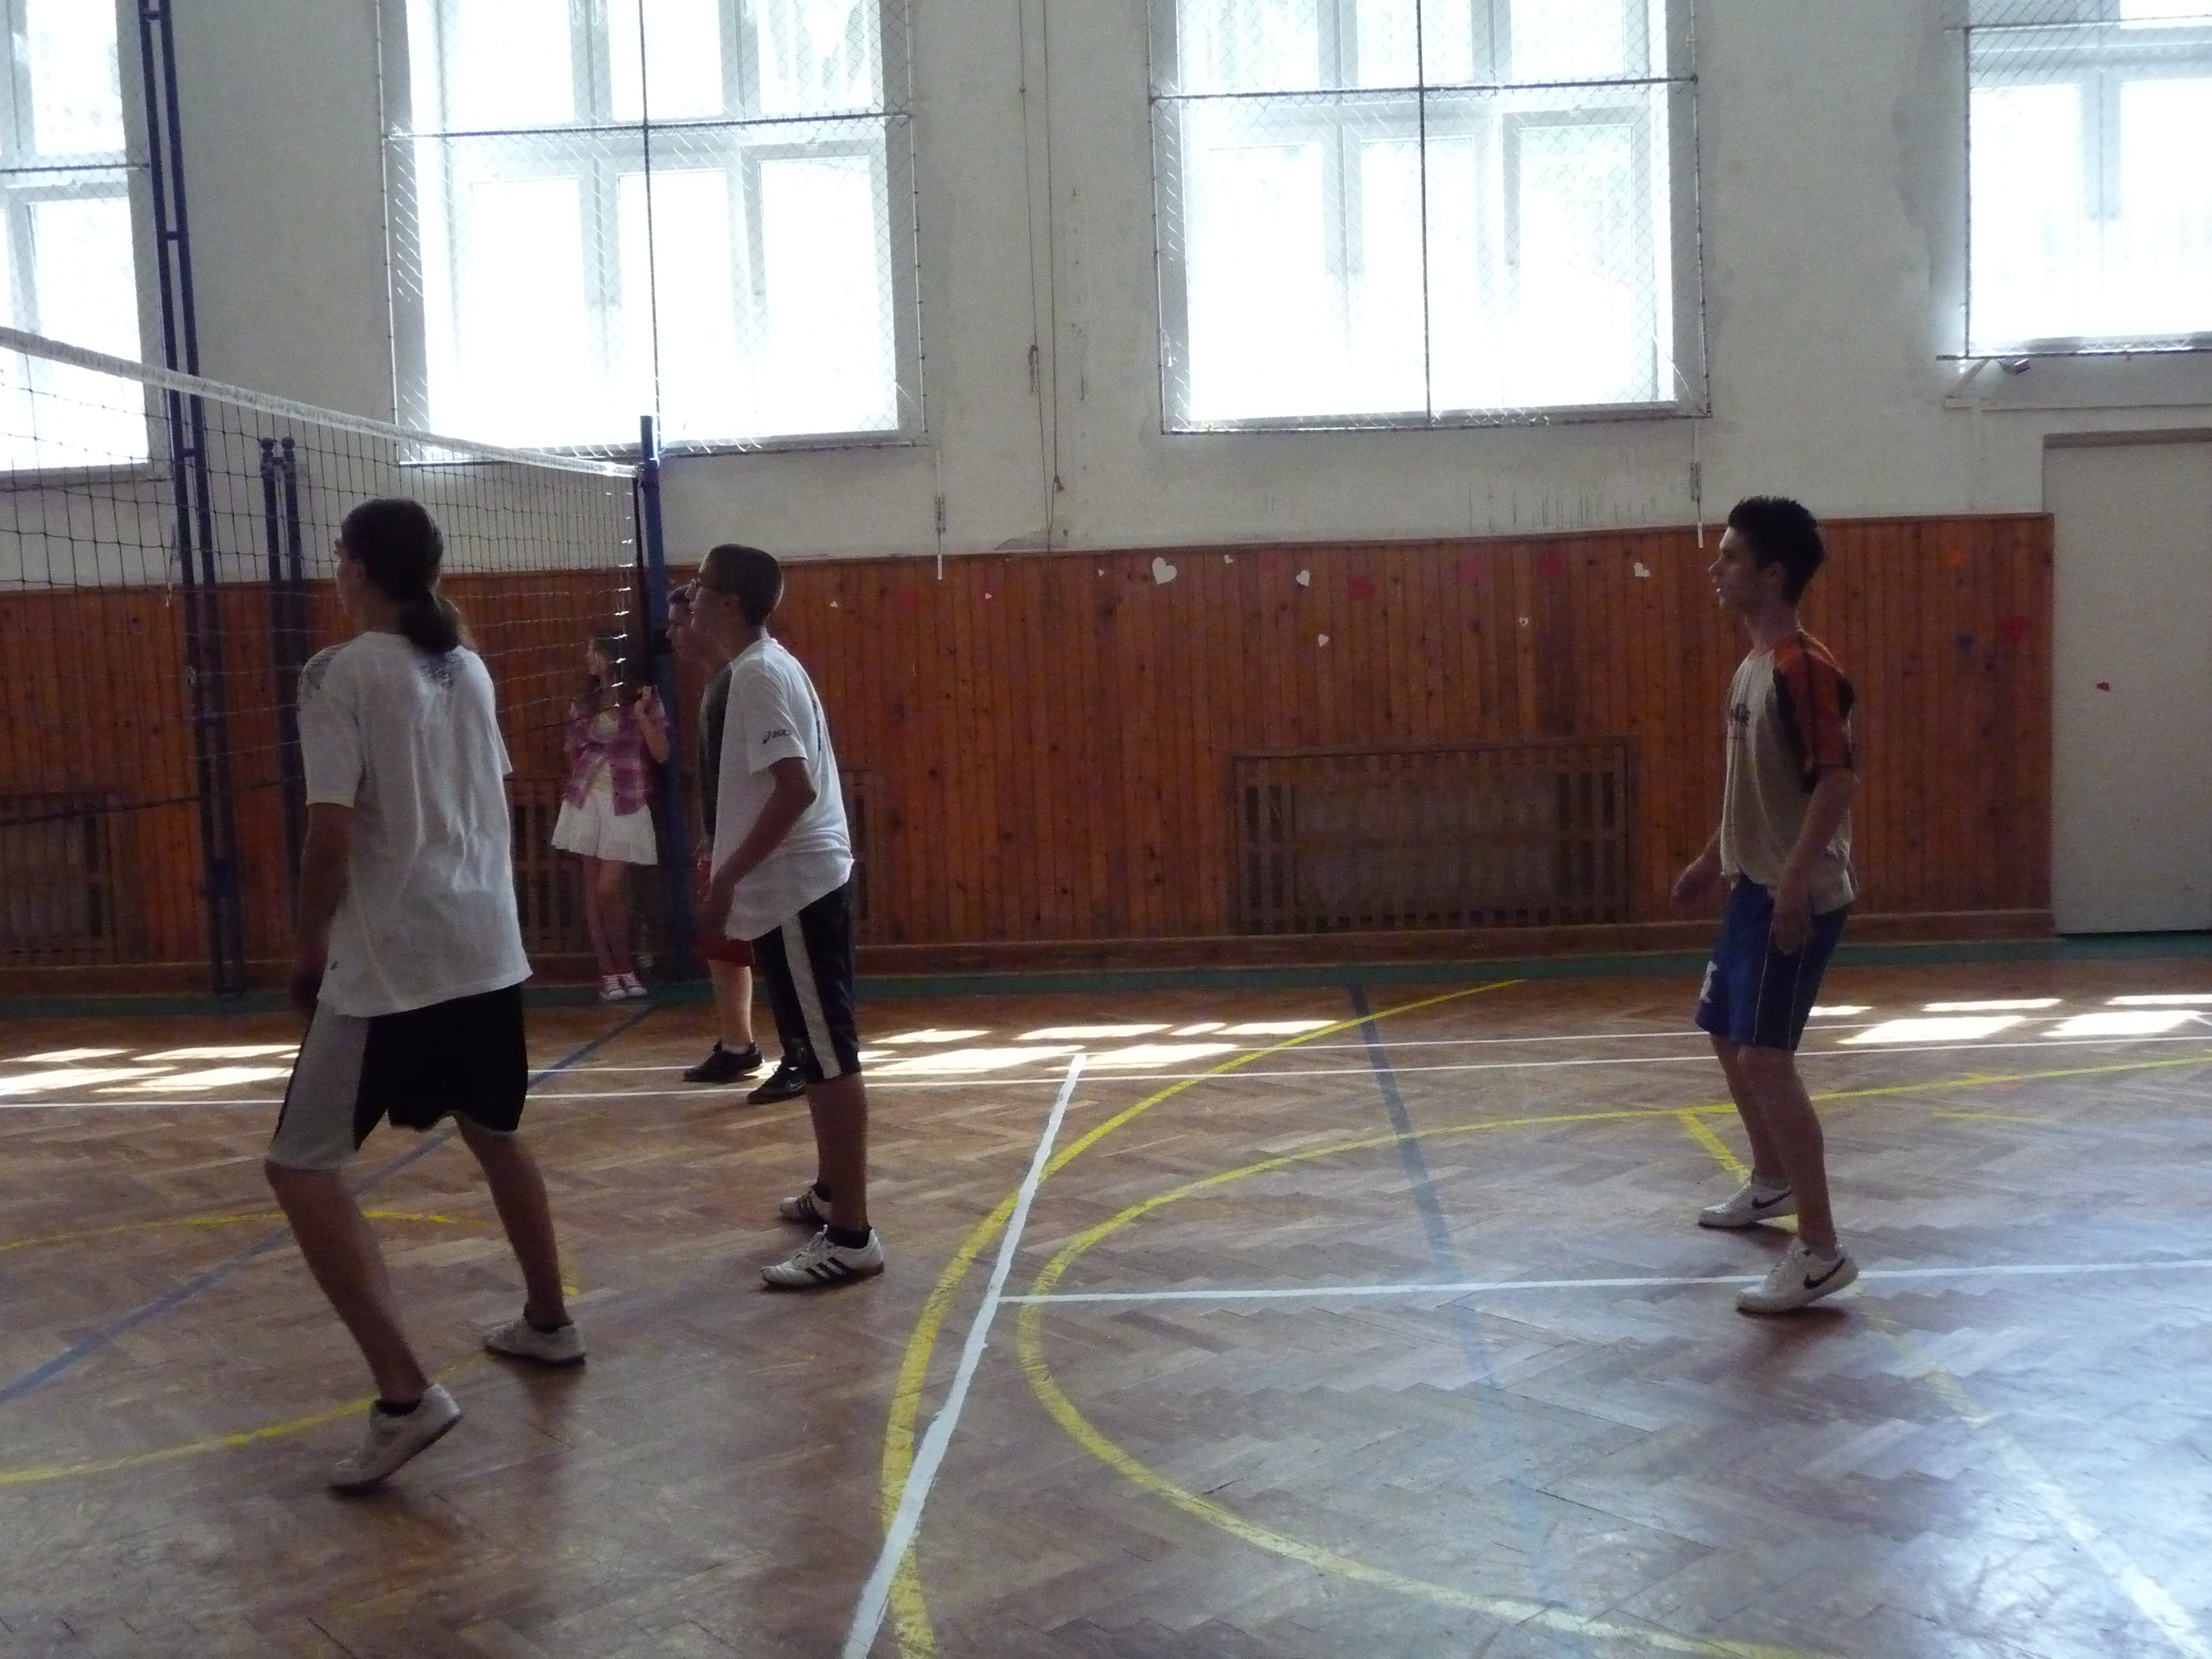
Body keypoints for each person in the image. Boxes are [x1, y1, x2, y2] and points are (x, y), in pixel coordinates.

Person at [267, 497, 582, 1495]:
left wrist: (308, 942)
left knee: (300, 1166)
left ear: (357, 567)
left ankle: (405, 1397)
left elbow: (328, 832)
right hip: (485, 947)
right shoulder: (467, 666)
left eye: (338, 556)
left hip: (394, 967)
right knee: (494, 1129)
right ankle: (549, 1320)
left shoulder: (338, 672)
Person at [1673, 495, 1860, 1315]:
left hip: (1797, 897)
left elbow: (1838, 782)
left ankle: (1820, 1251)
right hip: (1751, 885)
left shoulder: (1804, 668)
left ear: (1773, 574)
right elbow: (1754, 790)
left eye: (1731, 556)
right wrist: (1711, 859)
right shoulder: (1752, 666)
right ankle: (1771, 1178)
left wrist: (1791, 881)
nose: (1716, 569)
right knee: (1726, 1033)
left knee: (1765, 1060)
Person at [690, 543, 883, 1288]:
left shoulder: (761, 674)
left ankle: (853, 1236)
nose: (691, 598)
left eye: (701, 587)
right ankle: (832, 1191)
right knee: (811, 1046)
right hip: (793, 884)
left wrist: (727, 877)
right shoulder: (758, 668)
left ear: (729, 602)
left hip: (797, 883)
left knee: (828, 1055)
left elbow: (794, 788)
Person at [666, 582, 808, 1102]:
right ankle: (738, 1045)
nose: (672, 633)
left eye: (679, 621)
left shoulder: (747, 678)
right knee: (724, 944)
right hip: (727, 838)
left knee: (780, 953)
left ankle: (801, 1055)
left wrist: (732, 851)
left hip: (760, 846)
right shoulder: (719, 682)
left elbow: (786, 781)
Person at [553, 632, 668, 1000]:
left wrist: (641, 715)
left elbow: (662, 752)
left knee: (609, 888)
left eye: (595, 651)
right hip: (587, 796)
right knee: (592, 887)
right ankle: (609, 972)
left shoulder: (643, 699)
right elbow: (572, 748)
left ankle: (626, 966)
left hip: (627, 797)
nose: (590, 657)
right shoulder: (584, 701)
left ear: (613, 656)